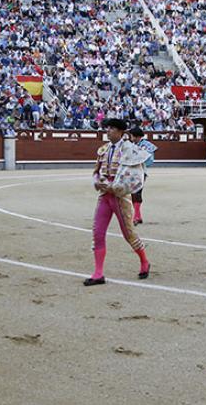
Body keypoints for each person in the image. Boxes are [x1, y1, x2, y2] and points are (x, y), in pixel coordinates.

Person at [86, 118, 152, 286]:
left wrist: (115, 186)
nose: (108, 131)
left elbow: (136, 177)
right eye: (107, 128)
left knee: (128, 233)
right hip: (104, 195)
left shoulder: (129, 149)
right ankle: (98, 273)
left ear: (121, 132)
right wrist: (97, 181)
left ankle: (144, 261)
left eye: (112, 128)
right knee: (97, 232)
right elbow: (96, 170)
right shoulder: (104, 149)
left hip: (120, 197)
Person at [128, 127, 158, 226]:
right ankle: (138, 216)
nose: (130, 137)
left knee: (137, 192)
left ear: (136, 136)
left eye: (131, 136)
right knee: (133, 193)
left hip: (141, 171)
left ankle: (136, 216)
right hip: (132, 171)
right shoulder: (132, 145)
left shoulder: (146, 145)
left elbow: (150, 160)